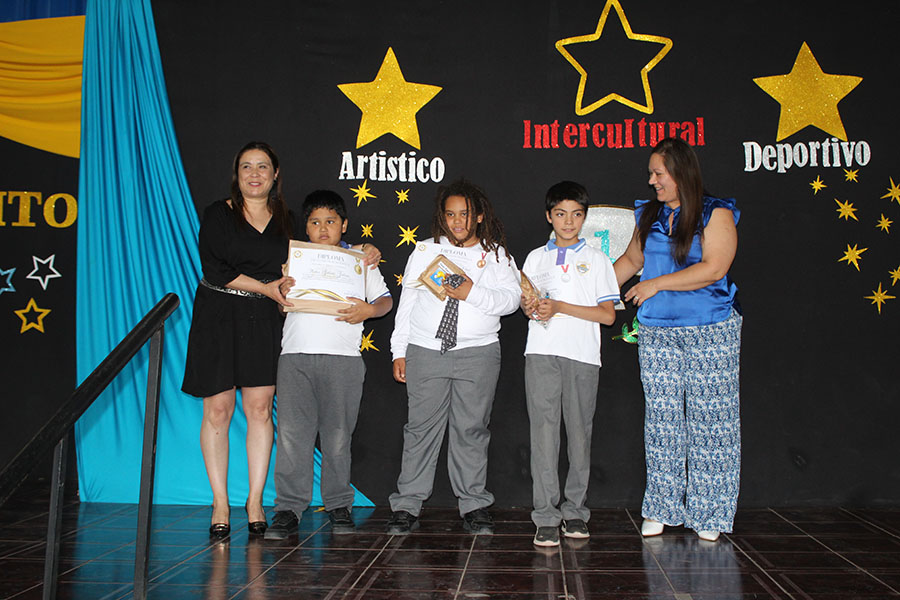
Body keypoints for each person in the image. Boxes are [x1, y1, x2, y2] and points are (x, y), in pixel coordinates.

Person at [182, 142, 380, 537]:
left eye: (263, 167)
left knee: (260, 411)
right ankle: (220, 503)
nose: (254, 174)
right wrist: (266, 288)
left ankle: (256, 502)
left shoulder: (288, 220)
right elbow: (213, 269)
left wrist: (360, 251)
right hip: (219, 316)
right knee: (217, 411)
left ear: (275, 175)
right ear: (237, 174)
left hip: (264, 322)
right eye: (246, 166)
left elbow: (320, 255)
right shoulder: (218, 213)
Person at [613, 137, 741, 542]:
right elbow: (631, 262)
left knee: (712, 421)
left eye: (658, 173)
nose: (652, 181)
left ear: (680, 173)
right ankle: (662, 508)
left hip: (711, 328)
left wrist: (655, 284)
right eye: (651, 174)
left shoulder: (716, 212)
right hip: (657, 331)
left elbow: (714, 268)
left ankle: (710, 512)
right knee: (662, 420)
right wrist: (585, 295)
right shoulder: (649, 214)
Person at [386, 179, 520, 535]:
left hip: (478, 353)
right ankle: (407, 504)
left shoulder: (497, 255)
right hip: (426, 350)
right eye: (450, 215)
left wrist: (471, 292)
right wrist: (399, 350)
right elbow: (407, 303)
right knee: (420, 429)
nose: (458, 222)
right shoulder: (425, 251)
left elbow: (511, 301)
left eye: (465, 214)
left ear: (479, 216)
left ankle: (473, 503)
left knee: (471, 429)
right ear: (441, 217)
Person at [264, 190, 392, 540]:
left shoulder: (360, 260)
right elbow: (283, 307)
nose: (323, 229)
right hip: (295, 356)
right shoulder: (295, 260)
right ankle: (288, 508)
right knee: (292, 436)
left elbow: (384, 301)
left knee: (338, 436)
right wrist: (282, 292)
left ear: (344, 225)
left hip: (343, 360)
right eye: (315, 222)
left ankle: (338, 504)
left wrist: (369, 310)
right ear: (305, 227)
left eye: (331, 222)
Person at [520, 181, 619, 547]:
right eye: (560, 214)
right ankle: (545, 516)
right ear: (549, 216)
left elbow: (607, 315)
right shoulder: (535, 258)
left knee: (579, 435)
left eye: (576, 214)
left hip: (582, 355)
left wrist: (560, 306)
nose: (568, 221)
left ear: (584, 217)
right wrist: (531, 306)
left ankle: (575, 511)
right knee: (543, 435)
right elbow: (527, 303)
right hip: (541, 352)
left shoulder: (598, 260)